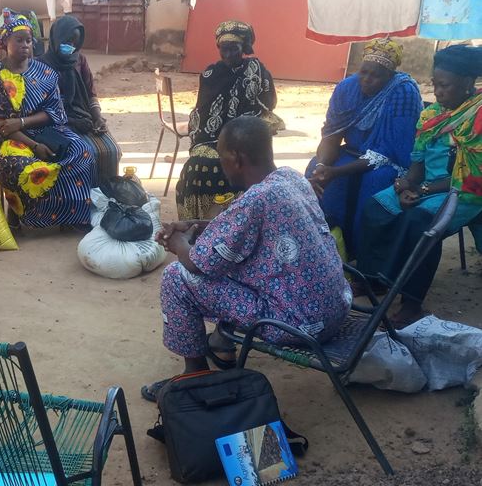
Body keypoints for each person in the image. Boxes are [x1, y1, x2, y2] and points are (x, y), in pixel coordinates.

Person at [142, 117, 351, 401]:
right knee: (235, 259)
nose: (220, 163)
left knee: (177, 278)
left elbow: (197, 264)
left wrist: (179, 243)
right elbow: (235, 227)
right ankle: (223, 343)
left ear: (237, 158)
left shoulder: (257, 200)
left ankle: (195, 377)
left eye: (221, 156)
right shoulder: (291, 178)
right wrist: (195, 224)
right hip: (335, 308)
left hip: (299, 324)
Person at [357, 45, 482, 327]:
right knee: (376, 207)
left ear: (466, 83)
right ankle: (373, 280)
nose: (436, 92)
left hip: (465, 190)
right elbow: (419, 160)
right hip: (426, 185)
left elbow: (467, 176)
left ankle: (411, 303)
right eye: (435, 84)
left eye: (444, 86)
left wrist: (422, 191)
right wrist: (406, 184)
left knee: (420, 223)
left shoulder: (478, 118)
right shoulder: (432, 115)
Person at [0, 9, 96, 230]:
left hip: (41, 130)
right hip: (4, 140)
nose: (25, 45)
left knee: (83, 151)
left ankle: (69, 215)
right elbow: (1, 125)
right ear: (4, 42)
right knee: (24, 165)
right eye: (19, 40)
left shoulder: (45, 73)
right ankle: (18, 214)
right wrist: (34, 145)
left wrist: (24, 123)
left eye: (28, 40)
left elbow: (55, 113)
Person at [307, 39, 423, 254]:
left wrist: (336, 171)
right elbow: (332, 135)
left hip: (390, 160)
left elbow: (390, 150)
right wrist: (324, 166)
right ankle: (329, 247)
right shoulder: (346, 88)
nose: (367, 80)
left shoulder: (403, 92)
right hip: (352, 152)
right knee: (315, 168)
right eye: (363, 72)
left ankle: (365, 253)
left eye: (376, 75)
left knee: (376, 180)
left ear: (390, 76)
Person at [175, 20, 280, 220]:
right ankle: (197, 223)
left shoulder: (257, 72)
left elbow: (267, 105)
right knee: (198, 165)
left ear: (244, 48)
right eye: (224, 49)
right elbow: (202, 112)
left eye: (234, 48)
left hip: (244, 135)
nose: (229, 54)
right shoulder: (210, 74)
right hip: (210, 137)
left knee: (240, 162)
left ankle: (239, 220)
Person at [37, 15, 122, 180]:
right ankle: (80, 197)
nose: (71, 47)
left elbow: (91, 93)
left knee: (111, 150)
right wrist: (72, 122)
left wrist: (97, 118)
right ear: (57, 38)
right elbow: (42, 106)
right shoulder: (41, 65)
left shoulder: (79, 60)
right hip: (53, 122)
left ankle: (104, 196)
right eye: (67, 41)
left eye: (75, 43)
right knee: (84, 153)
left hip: (83, 118)